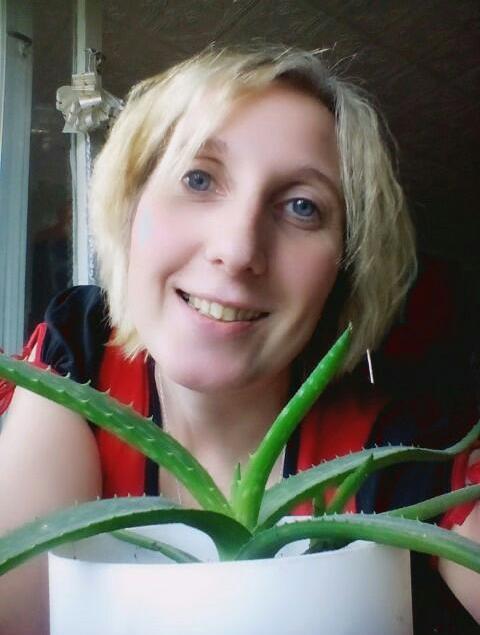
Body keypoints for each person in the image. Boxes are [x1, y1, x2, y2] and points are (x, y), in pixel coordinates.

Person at [0, 45, 478, 634]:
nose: (238, 249)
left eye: (302, 207)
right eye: (198, 178)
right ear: (130, 204)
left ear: (346, 268)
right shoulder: (82, 355)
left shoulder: (402, 451)